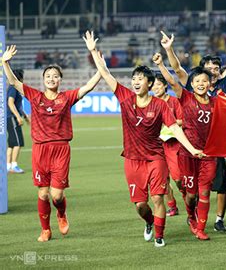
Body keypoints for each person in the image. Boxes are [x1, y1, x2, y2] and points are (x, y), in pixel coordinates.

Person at [84, 31, 203, 248]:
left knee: (158, 198)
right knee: (140, 205)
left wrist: (192, 148)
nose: (136, 82)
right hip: (132, 160)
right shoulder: (125, 98)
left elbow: (175, 130)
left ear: (149, 83)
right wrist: (92, 50)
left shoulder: (160, 106)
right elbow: (106, 74)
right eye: (134, 79)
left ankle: (159, 235)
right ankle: (149, 222)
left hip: (156, 158)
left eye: (140, 79)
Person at [2, 45, 102, 242]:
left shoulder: (66, 98)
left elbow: (89, 86)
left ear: (60, 80)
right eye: (48, 75)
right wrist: (5, 61)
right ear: (43, 79)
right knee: (43, 194)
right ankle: (45, 229)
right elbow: (13, 81)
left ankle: (61, 214)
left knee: (56, 196)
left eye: (55, 75)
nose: (51, 78)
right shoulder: (35, 95)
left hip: (61, 149)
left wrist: (97, 60)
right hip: (40, 150)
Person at [160, 25, 226, 232]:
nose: (213, 70)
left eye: (216, 67)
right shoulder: (191, 88)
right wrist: (169, 50)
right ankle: (192, 215)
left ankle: (218, 220)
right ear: (199, 73)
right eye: (209, 67)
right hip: (191, 146)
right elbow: (177, 71)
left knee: (221, 186)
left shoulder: (222, 87)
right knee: (191, 191)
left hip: (215, 145)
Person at [152, 56, 216, 240]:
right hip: (187, 154)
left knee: (204, 192)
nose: (201, 84)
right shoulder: (185, 97)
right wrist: (160, 65)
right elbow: (172, 81)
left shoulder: (216, 103)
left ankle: (201, 228)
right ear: (192, 84)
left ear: (210, 84)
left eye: (204, 81)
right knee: (191, 195)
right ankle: (190, 216)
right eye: (197, 81)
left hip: (209, 154)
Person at [150, 69, 185, 217]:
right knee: (163, 179)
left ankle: (188, 200)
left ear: (165, 86)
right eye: (153, 86)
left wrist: (168, 123)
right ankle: (172, 206)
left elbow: (183, 120)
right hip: (157, 146)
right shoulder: (150, 103)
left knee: (178, 178)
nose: (155, 88)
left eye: (158, 85)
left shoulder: (173, 101)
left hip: (173, 144)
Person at [6, 69, 29, 174]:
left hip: (11, 117)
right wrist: (18, 117)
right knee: (18, 143)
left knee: (11, 144)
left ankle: (8, 166)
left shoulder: (13, 88)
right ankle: (14, 165)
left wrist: (24, 115)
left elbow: (17, 105)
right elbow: (10, 103)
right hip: (12, 117)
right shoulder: (13, 88)